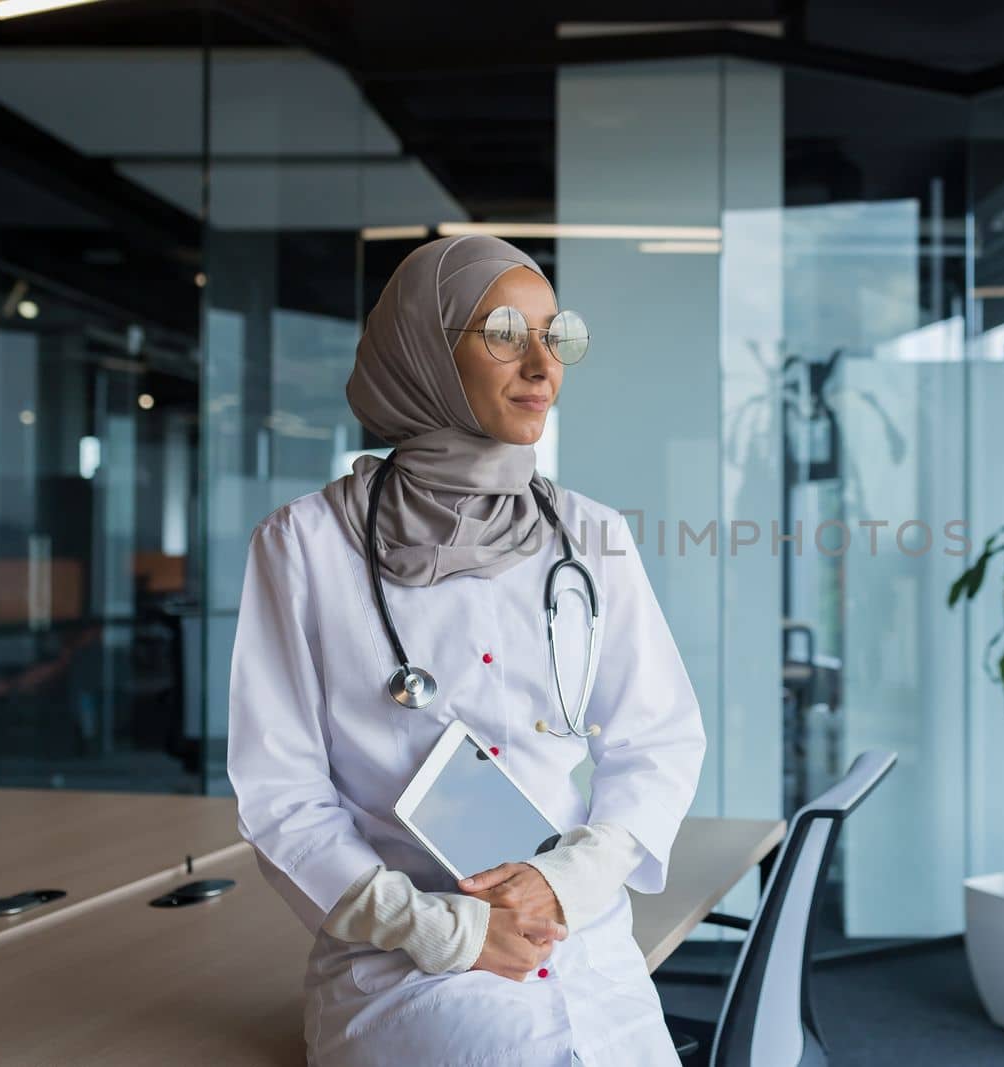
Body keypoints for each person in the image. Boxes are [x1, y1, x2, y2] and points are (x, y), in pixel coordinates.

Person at [226, 235, 707, 1066]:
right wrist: (438, 927)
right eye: (505, 332)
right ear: (422, 348)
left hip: (583, 942)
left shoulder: (591, 536)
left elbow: (655, 740)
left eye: (556, 338)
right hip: (407, 963)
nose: (541, 366)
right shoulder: (305, 545)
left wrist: (571, 878)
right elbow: (281, 794)